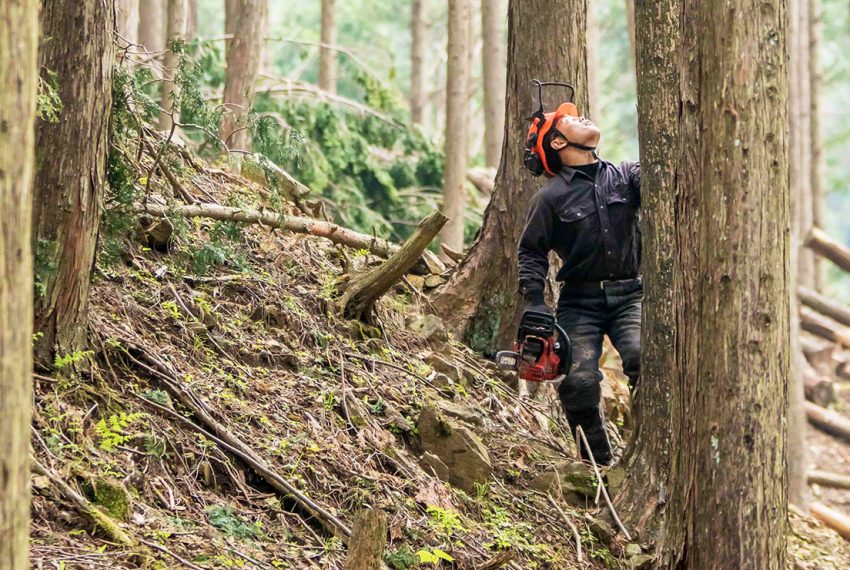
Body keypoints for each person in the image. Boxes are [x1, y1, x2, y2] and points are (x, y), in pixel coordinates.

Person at [518, 105, 641, 466]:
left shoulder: (625, 176)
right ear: (557, 141)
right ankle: (597, 466)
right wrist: (534, 302)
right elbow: (531, 252)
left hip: (631, 293)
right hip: (579, 302)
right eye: (571, 120)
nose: (583, 117)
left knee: (641, 356)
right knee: (579, 382)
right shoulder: (549, 199)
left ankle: (651, 454)